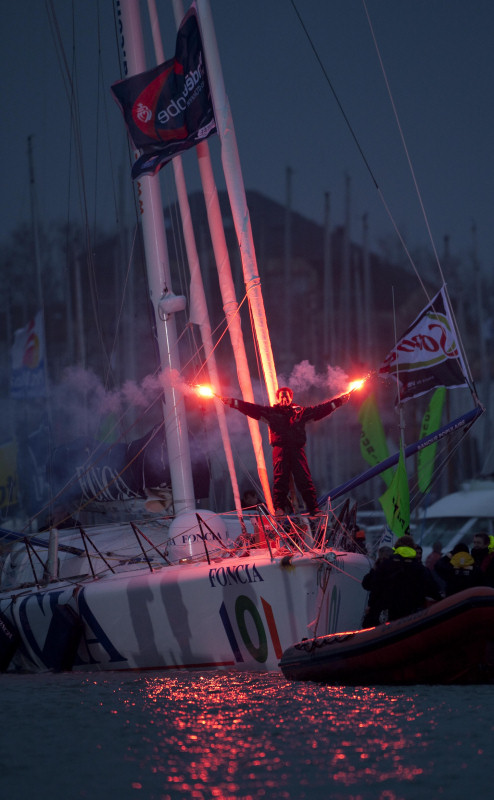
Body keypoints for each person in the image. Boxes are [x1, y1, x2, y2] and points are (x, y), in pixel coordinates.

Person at [221, 386, 351, 516]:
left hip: (297, 449)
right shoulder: (271, 413)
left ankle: (313, 509)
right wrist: (233, 402)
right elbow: (251, 408)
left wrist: (338, 402)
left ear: (291, 398)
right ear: (278, 398)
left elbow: (320, 410)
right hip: (280, 449)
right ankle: (279, 508)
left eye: (287, 396)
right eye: (282, 396)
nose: (284, 398)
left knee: (304, 478)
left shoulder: (300, 412)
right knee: (280, 479)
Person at [363, 535, 442, 622]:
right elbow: (431, 588)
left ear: (396, 547)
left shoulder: (386, 564)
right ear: (412, 548)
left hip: (389, 612)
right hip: (412, 613)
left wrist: (371, 605)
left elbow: (374, 585)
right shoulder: (419, 567)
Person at [361, 545, 394, 627]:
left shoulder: (381, 572)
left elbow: (369, 585)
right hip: (382, 609)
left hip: (380, 609)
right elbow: (366, 584)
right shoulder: (394, 570)